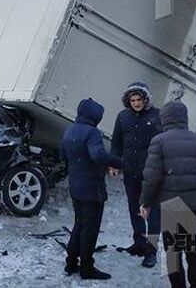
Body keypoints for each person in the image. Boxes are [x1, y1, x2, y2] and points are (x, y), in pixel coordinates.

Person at [139, 101, 196, 288]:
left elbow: (151, 177)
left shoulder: (159, 141)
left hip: (172, 203)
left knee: (173, 253)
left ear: (165, 119)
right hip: (194, 204)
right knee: (192, 249)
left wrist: (145, 202)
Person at [60, 98, 123, 280]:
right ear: (95, 116)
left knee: (79, 224)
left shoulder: (69, 130)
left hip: (76, 186)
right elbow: (97, 155)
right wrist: (119, 163)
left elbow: (63, 154)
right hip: (91, 189)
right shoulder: (92, 132)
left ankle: (71, 264)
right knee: (90, 229)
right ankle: (87, 268)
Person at [111, 82, 162, 267]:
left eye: (139, 99)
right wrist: (114, 164)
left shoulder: (157, 116)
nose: (136, 103)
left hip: (152, 174)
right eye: (132, 100)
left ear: (145, 99)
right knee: (135, 209)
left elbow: (164, 144)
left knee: (153, 212)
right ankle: (139, 244)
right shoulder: (123, 117)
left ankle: (152, 251)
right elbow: (116, 142)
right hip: (131, 171)